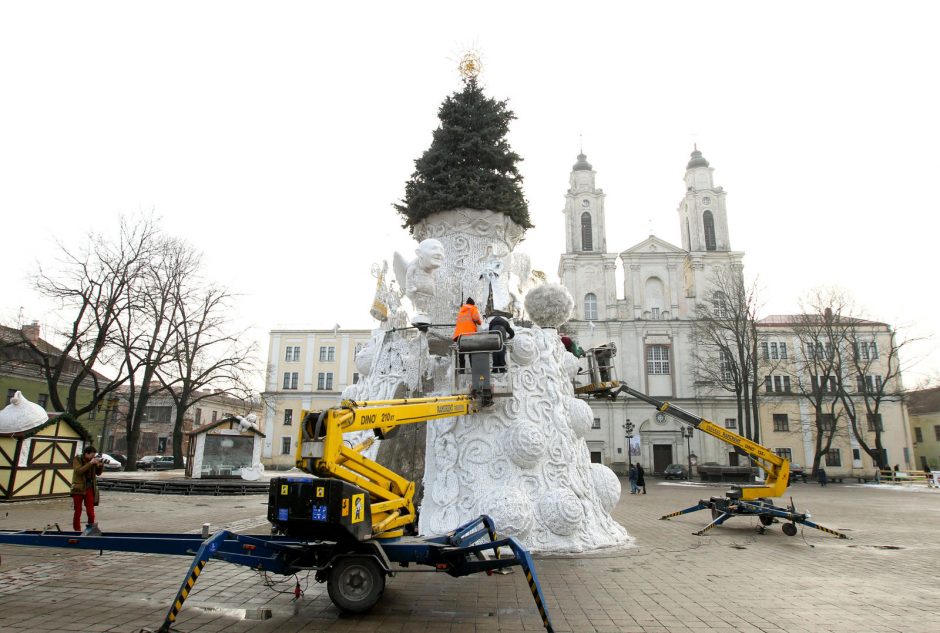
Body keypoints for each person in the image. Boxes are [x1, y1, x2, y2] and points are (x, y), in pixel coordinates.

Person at [71, 445, 104, 534]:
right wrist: (91, 463)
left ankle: (91, 529)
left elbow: (98, 473)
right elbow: (79, 471)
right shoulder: (77, 459)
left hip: (89, 488)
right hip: (78, 488)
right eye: (92, 455)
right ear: (86, 454)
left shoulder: (92, 461)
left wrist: (100, 465)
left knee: (90, 511)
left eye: (94, 455)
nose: (93, 457)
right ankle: (77, 530)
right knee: (78, 510)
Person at [453, 297, 483, 369]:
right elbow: (476, 319)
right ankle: (473, 369)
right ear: (473, 304)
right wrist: (480, 322)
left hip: (460, 335)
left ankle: (462, 369)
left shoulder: (461, 310)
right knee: (471, 351)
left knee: (461, 352)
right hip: (469, 334)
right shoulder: (473, 308)